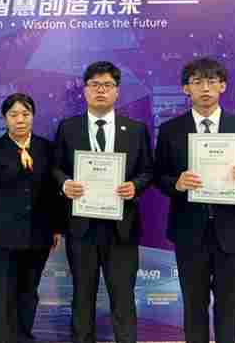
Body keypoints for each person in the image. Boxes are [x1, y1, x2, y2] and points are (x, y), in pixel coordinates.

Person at [154, 57, 235, 343]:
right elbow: (159, 177)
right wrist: (176, 183)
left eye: (212, 81)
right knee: (194, 308)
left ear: (223, 86)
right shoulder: (170, 130)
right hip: (189, 233)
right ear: (186, 88)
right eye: (197, 82)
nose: (205, 88)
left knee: (230, 309)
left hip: (233, 234)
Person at [53, 61, 153, 343]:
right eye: (95, 85)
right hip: (81, 227)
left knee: (123, 297)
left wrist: (135, 186)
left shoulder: (136, 130)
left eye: (107, 85)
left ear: (117, 91)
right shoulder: (68, 128)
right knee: (82, 296)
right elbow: (55, 167)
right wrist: (65, 183)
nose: (101, 90)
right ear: (84, 90)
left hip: (122, 228)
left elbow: (148, 170)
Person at [0, 93, 62, 343]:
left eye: (25, 114)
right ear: (5, 118)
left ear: (33, 116)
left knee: (28, 292)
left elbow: (54, 193)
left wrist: (56, 228)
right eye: (13, 115)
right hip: (2, 236)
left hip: (39, 234)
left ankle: (24, 337)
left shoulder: (47, 149)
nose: (20, 120)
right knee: (3, 294)